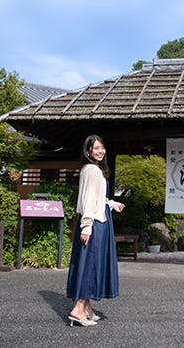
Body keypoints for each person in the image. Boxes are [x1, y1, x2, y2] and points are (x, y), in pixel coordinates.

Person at [66, 134, 125, 327]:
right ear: (88, 151)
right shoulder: (91, 169)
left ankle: (87, 308)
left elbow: (99, 198)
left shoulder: (95, 169)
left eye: (102, 147)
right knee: (90, 265)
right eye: (96, 148)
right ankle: (78, 309)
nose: (100, 151)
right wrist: (87, 225)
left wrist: (113, 204)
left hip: (100, 221)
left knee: (92, 263)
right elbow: (88, 199)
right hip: (95, 225)